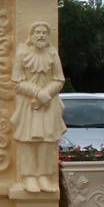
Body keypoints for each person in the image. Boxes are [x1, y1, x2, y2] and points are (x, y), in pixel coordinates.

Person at [11, 21, 66, 192]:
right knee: (28, 141)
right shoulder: (22, 53)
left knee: (47, 141)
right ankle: (28, 176)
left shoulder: (52, 53)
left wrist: (45, 95)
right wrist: (36, 93)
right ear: (31, 35)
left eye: (44, 32)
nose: (41, 35)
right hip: (28, 104)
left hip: (49, 104)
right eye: (38, 32)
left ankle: (43, 175)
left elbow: (59, 79)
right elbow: (17, 81)